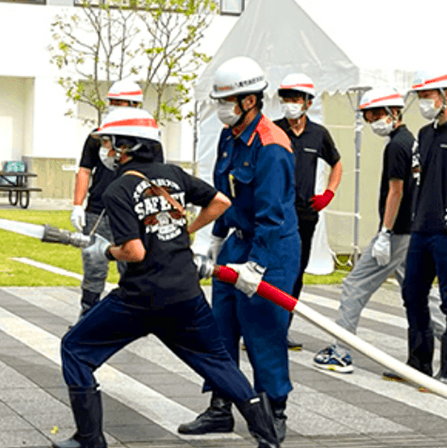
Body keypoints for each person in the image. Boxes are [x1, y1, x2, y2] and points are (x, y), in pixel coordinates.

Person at [54, 107, 281, 448]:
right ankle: (268, 435)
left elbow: (134, 252)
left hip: (138, 298)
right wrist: (184, 232)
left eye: (112, 144)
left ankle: (89, 438)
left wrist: (104, 252)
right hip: (185, 294)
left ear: (129, 146)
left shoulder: (118, 189)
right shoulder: (174, 175)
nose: (108, 152)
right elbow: (220, 201)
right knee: (218, 361)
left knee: (74, 348)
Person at [177, 57, 299, 444]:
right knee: (220, 327)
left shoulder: (272, 146)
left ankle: (273, 410)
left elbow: (272, 216)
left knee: (263, 330)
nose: (221, 107)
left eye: (227, 100)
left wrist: (258, 265)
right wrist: (213, 240)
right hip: (237, 241)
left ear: (250, 101)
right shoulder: (231, 136)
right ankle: (220, 407)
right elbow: (224, 195)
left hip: (272, 248)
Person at [312, 87, 444, 373]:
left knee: (353, 285)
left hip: (396, 233)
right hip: (412, 231)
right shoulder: (411, 141)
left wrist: (385, 233)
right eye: (368, 116)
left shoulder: (397, 145)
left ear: (394, 112)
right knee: (418, 295)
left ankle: (341, 351)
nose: (372, 121)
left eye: (376, 114)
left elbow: (395, 192)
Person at [70, 80, 162, 318]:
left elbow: (156, 177)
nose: (112, 107)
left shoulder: (150, 140)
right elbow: (84, 170)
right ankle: (87, 315)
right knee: (94, 264)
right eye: (110, 103)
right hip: (99, 210)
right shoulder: (97, 136)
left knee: (131, 266)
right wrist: (78, 206)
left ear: (133, 105)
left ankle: (130, 317)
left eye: (118, 103)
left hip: (132, 212)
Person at [398, 70, 447, 389]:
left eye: (429, 96)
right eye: (421, 97)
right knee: (412, 294)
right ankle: (419, 363)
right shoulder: (424, 134)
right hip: (422, 228)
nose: (424, 102)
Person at [274, 73, 343, 351]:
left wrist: (328, 193)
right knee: (272, 270)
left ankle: (282, 329)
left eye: (295, 99)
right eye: (286, 99)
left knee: (296, 271)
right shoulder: (274, 130)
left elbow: (337, 164)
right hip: (276, 212)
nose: (290, 104)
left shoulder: (319, 134)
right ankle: (262, 328)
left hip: (304, 214)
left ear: (307, 102)